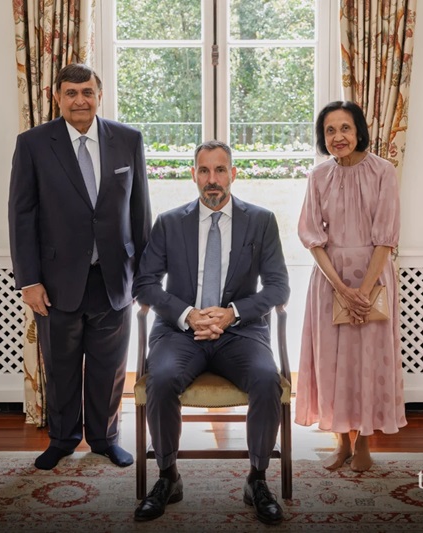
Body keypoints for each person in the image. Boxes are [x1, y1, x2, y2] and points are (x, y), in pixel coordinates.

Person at [132, 141, 289, 525]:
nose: (212, 180)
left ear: (233, 174)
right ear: (193, 175)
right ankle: (168, 476)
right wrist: (187, 315)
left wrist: (232, 313)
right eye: (204, 171)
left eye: (220, 170)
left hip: (240, 332)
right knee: (163, 377)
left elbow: (277, 287)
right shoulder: (170, 222)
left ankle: (257, 478)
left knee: (269, 379)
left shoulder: (261, 220)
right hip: (180, 332)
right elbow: (145, 284)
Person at [8, 63, 151, 470]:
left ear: (99, 95)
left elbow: (140, 211)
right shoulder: (34, 144)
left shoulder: (128, 140)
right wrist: (29, 280)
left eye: (87, 92)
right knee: (61, 366)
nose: (80, 100)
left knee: (109, 367)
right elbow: (21, 215)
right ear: (57, 98)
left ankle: (105, 439)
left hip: (114, 278)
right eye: (70, 93)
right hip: (55, 281)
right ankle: (63, 439)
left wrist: (146, 277)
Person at [295, 101, 406, 473]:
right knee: (332, 363)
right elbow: (313, 238)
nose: (337, 137)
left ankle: (364, 446)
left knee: (368, 362)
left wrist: (364, 290)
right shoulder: (317, 177)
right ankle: (341, 442)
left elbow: (386, 240)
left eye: (345, 128)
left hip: (373, 276)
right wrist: (342, 288)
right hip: (330, 281)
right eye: (329, 130)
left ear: (359, 130)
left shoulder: (383, 172)